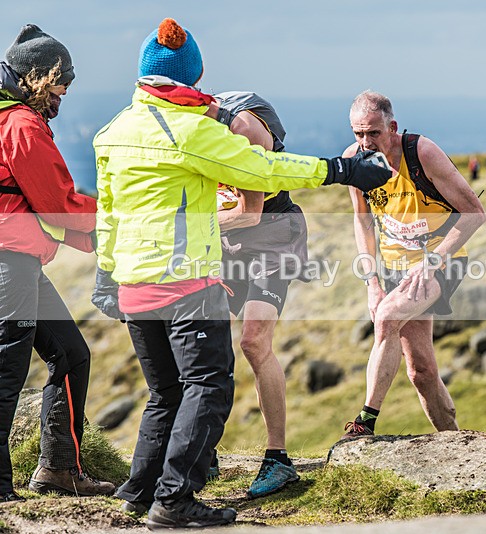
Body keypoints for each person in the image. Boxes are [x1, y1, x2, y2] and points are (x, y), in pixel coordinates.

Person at [90, 19, 391, 529]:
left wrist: (106, 271)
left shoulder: (115, 130)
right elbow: (267, 172)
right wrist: (340, 171)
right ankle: (173, 495)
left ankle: (150, 488)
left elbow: (109, 212)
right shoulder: (192, 131)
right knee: (206, 383)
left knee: (187, 379)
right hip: (190, 274)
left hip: (176, 270)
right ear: (191, 79)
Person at [0, 24, 115, 502]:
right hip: (9, 264)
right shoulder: (21, 125)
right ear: (37, 76)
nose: (65, 91)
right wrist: (116, 218)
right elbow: (60, 205)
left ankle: (59, 469)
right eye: (62, 81)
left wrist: (98, 238)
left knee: (70, 354)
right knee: (6, 370)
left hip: (16, 260)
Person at [341, 91, 486, 439]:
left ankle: (364, 422)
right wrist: (371, 281)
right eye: (358, 133)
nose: (365, 142)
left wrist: (433, 263)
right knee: (420, 371)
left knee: (388, 316)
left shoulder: (422, 153)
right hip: (392, 265)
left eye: (373, 133)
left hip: (439, 258)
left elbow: (475, 214)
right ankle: (455, 441)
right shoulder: (354, 161)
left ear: (392, 127)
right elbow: (362, 222)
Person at [210, 91, 306, 498]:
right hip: (226, 244)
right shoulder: (181, 129)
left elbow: (249, 212)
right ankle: (198, 449)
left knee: (253, 342)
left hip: (272, 237)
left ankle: (277, 459)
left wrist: (190, 226)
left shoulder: (244, 131)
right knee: (204, 342)